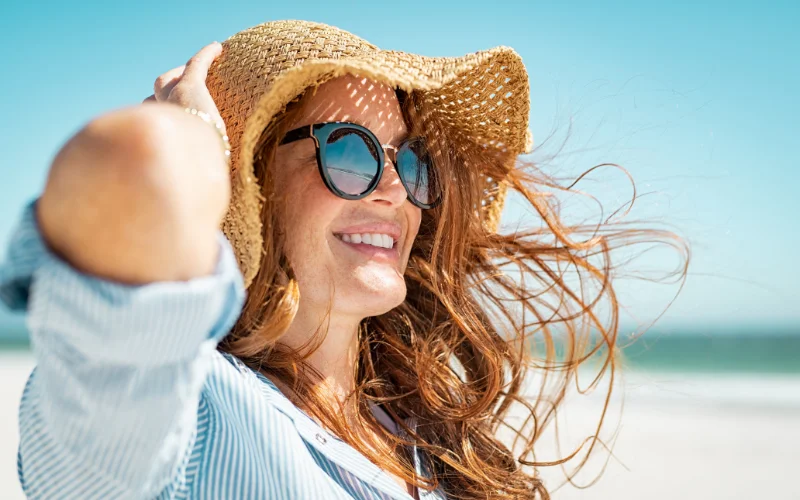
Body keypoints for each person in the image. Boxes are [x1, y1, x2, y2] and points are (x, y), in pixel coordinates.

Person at [0, 20, 685, 500]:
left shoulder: (422, 436)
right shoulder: (181, 417)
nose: (394, 190)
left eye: (409, 160)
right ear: (251, 179)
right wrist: (191, 147)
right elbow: (126, 163)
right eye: (349, 149)